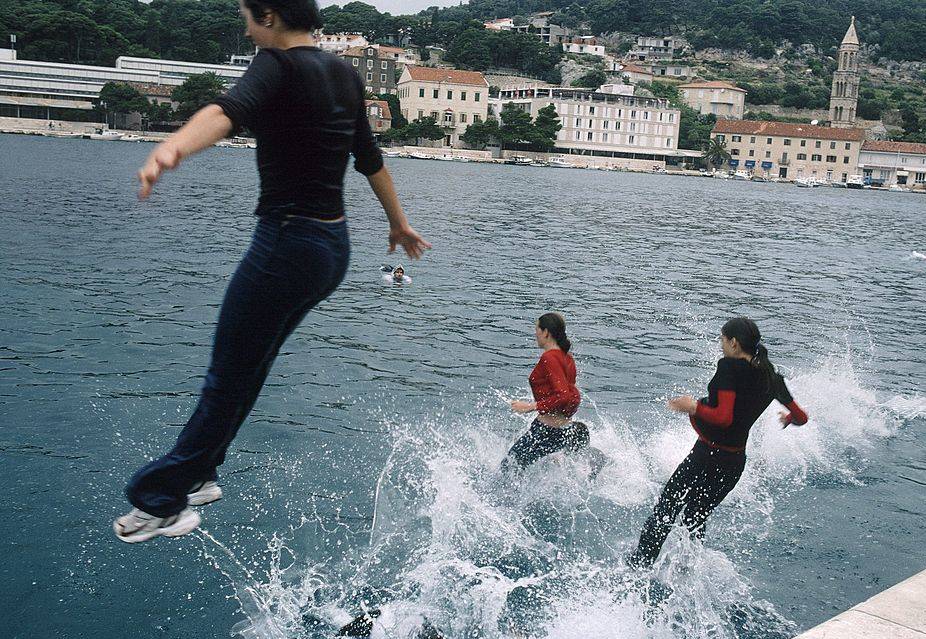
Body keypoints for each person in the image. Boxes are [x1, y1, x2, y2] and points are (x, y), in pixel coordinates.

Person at [114, 0, 430, 543]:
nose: (244, 25)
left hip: (286, 242)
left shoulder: (276, 63)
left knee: (225, 375)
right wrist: (399, 225)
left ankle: (160, 498)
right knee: (248, 368)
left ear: (269, 17)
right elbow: (370, 157)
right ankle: (199, 474)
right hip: (331, 249)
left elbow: (225, 112)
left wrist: (172, 148)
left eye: (246, 15)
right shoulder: (345, 74)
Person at [627, 318, 808, 569]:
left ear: (734, 343)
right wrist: (788, 419)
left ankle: (639, 566)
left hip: (706, 455)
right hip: (734, 462)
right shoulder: (771, 377)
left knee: (667, 507)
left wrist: (693, 406)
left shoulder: (729, 368)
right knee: (695, 516)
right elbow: (802, 417)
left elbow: (723, 418)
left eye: (722, 340)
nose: (721, 345)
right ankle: (688, 571)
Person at [501, 313, 590, 473]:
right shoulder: (567, 357)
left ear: (546, 332)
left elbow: (563, 395)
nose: (535, 333)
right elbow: (572, 396)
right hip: (564, 430)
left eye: (537, 329)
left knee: (507, 469)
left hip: (546, 431)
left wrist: (529, 406)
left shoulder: (549, 358)